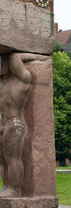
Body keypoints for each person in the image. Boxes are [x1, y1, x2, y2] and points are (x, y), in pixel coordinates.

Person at [0, 52, 49, 197]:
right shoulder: (3, 85)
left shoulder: (23, 79)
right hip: (2, 123)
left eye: (4, 61)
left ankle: (15, 189)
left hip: (14, 123)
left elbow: (16, 58)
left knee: (12, 157)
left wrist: (38, 57)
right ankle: (6, 187)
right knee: (1, 160)